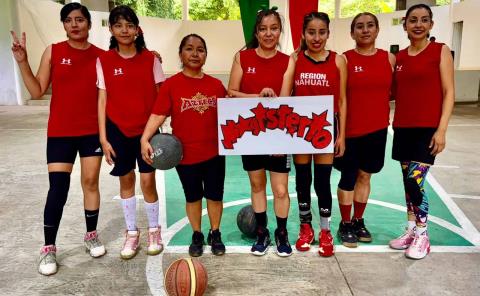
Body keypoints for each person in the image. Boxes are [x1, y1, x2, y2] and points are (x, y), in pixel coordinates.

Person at [11, 3, 106, 276]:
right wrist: (22, 62)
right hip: (61, 132)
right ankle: (48, 248)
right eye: (68, 20)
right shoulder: (53, 51)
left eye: (79, 19)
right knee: (58, 188)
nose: (74, 24)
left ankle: (91, 236)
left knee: (90, 182)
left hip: (91, 132)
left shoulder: (101, 57)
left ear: (88, 24)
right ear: (64, 25)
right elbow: (38, 90)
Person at [141, 34, 227, 257]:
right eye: (189, 49)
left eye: (200, 49)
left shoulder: (216, 85)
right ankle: (197, 233)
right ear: (181, 54)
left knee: (215, 196)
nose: (195, 54)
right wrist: (144, 138)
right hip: (186, 155)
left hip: (215, 153)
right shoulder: (172, 85)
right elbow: (158, 114)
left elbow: (232, 114)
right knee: (193, 196)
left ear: (206, 55)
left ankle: (215, 232)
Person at [97, 5, 166, 260]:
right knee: (126, 180)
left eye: (129, 25)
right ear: (111, 30)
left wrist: (156, 129)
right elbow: (102, 100)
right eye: (118, 25)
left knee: (148, 181)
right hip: (117, 130)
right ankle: (131, 233)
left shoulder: (151, 59)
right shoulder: (103, 60)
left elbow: (161, 98)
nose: (124, 30)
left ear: (138, 29)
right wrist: (104, 138)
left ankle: (154, 231)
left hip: (146, 130)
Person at [389, 4, 454, 259]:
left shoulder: (440, 51)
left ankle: (423, 234)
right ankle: (411, 229)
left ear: (431, 25)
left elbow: (449, 93)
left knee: (415, 182)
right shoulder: (400, 57)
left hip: (427, 129)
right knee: (408, 184)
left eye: (424, 20)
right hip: (403, 127)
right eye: (413, 20)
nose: (418, 24)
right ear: (405, 24)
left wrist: (442, 130)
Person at [280, 12, 347, 257]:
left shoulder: (338, 60)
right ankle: (305, 227)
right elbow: (285, 96)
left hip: (326, 130)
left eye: (321, 32)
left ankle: (325, 231)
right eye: (311, 32)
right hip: (300, 130)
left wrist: (342, 135)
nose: (316, 38)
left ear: (328, 33)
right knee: (303, 181)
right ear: (303, 34)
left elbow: (342, 100)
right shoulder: (295, 59)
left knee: (322, 181)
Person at [227, 7, 292, 257]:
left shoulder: (288, 60)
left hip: (278, 134)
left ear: (280, 31)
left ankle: (282, 233)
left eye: (273, 28)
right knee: (257, 185)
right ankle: (263, 233)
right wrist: (259, 96)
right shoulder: (242, 57)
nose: (268, 33)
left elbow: (285, 101)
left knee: (281, 190)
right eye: (263, 29)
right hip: (250, 134)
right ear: (256, 31)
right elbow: (231, 92)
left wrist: (280, 139)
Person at [334, 13, 395, 248]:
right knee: (347, 177)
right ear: (352, 33)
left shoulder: (388, 59)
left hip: (377, 130)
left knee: (365, 176)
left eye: (370, 26)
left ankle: (359, 220)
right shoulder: (345, 60)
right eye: (359, 27)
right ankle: (345, 223)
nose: (365, 30)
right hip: (349, 131)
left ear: (377, 30)